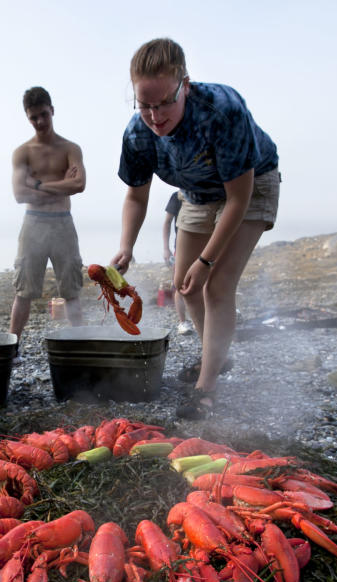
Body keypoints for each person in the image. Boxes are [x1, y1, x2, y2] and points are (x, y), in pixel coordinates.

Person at [112, 38, 280, 420]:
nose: (155, 116)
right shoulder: (137, 133)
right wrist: (127, 246)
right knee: (185, 289)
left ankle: (206, 388)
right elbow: (136, 197)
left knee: (216, 284)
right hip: (196, 193)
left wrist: (206, 260)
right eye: (144, 105)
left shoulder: (222, 110)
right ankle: (216, 357)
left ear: (184, 85)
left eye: (165, 103)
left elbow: (238, 199)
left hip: (249, 186)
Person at [9, 87, 86, 346]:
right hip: (33, 224)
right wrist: (60, 185)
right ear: (27, 118)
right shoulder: (23, 152)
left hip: (63, 222)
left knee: (71, 291)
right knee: (23, 292)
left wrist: (39, 185)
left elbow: (79, 185)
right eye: (34, 118)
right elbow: (20, 194)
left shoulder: (70, 148)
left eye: (44, 114)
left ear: (52, 110)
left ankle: (79, 345)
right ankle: (13, 347)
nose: (40, 122)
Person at [162, 191, 193, 335]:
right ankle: (183, 322)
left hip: (208, 243)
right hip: (181, 246)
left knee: (210, 282)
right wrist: (166, 248)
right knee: (179, 284)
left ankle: (209, 319)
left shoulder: (210, 187)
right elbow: (167, 222)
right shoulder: (177, 195)